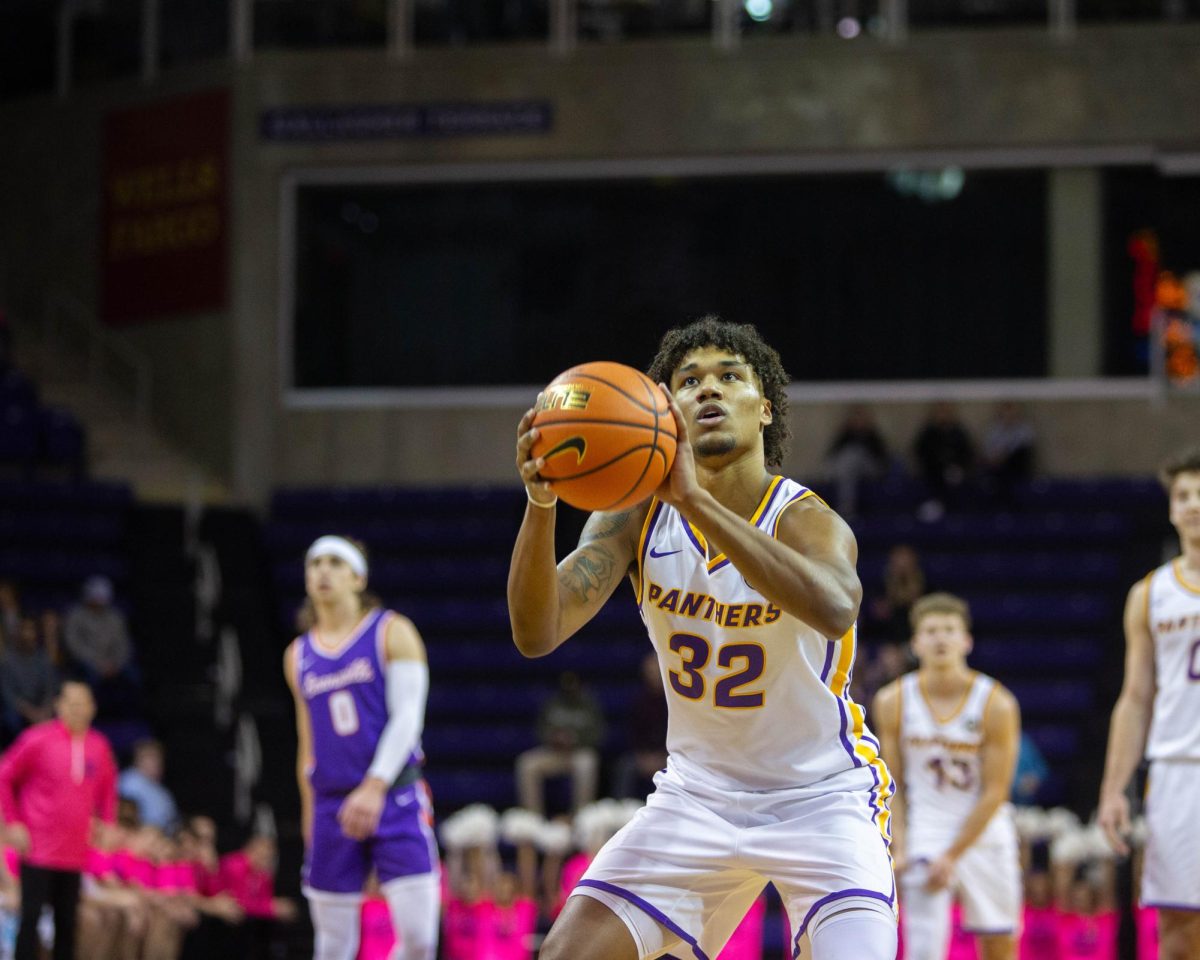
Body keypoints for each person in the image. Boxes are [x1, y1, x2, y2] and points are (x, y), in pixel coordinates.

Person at [509, 316, 896, 960]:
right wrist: (541, 504)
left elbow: (834, 607)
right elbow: (537, 632)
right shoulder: (632, 519)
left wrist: (695, 502)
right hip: (698, 796)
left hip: (824, 799)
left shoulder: (804, 518)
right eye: (688, 381)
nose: (708, 389)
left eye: (730, 377)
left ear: (764, 407)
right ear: (666, 411)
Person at [284, 535, 440, 960]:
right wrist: (308, 815)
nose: (323, 571)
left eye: (335, 562)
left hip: (393, 794)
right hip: (332, 802)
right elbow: (307, 745)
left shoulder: (392, 630)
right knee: (332, 944)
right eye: (315, 563)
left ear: (358, 577)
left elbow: (408, 719)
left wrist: (373, 786)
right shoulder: (298, 654)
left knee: (420, 939)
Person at [872, 592, 1022, 960]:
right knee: (923, 952)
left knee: (1000, 946)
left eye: (950, 630)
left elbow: (996, 792)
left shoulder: (997, 703)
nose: (941, 638)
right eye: (932, 631)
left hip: (983, 830)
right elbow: (895, 786)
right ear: (915, 642)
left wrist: (954, 854)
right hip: (926, 830)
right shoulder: (893, 700)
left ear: (966, 640)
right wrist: (901, 844)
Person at [1098, 448, 1200, 960]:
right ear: (1171, 509)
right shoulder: (1150, 593)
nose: (1194, 504)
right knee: (1178, 930)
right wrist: (1114, 789)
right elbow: (1135, 698)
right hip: (1178, 767)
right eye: (1184, 495)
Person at [0, 679, 118, 960]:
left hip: (75, 851)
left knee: (68, 922)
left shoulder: (98, 746)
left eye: (83, 704)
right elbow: (4, 776)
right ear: (59, 706)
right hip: (39, 847)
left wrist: (108, 823)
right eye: (72, 703)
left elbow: (108, 789)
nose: (78, 710)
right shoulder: (38, 739)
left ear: (93, 708)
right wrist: (13, 821)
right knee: (31, 918)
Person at [515, 671, 606, 816]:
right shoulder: (552, 704)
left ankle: (580, 817)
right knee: (527, 763)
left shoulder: (589, 705)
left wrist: (575, 739)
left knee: (587, 763)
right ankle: (534, 817)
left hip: (578, 752)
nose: (570, 688)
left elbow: (598, 734)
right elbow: (540, 730)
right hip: (553, 753)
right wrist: (554, 738)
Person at [63, 575, 139, 717]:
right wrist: (98, 663)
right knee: (89, 678)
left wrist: (116, 663)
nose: (99, 601)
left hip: (114, 664)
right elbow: (74, 646)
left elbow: (123, 646)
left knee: (135, 676)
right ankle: (88, 715)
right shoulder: (76, 616)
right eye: (96, 597)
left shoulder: (116, 617)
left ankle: (133, 715)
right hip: (89, 663)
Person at [611, 653, 668, 801]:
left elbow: (679, 733)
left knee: (679, 767)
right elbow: (632, 732)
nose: (654, 675)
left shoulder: (674, 702)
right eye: (651, 672)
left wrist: (661, 755)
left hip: (667, 755)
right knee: (625, 766)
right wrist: (642, 756)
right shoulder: (638, 701)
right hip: (641, 755)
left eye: (657, 671)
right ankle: (621, 806)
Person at [823, 404, 890, 518]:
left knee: (854, 454)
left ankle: (846, 510)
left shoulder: (873, 436)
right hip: (847, 473)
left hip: (870, 470)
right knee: (849, 457)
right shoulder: (845, 436)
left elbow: (882, 459)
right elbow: (833, 455)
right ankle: (847, 509)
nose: (859, 421)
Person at [912, 401, 975, 521]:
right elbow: (920, 452)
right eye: (940, 412)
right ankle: (937, 507)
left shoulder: (958, 432)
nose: (943, 415)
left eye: (946, 412)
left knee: (957, 480)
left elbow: (967, 454)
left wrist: (958, 467)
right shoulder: (928, 432)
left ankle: (954, 513)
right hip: (933, 472)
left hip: (956, 473)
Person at [0, 615, 57, 740]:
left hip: (41, 706)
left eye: (31, 630)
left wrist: (46, 710)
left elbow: (50, 688)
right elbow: (9, 695)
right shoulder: (7, 660)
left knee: (61, 712)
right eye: (24, 630)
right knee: (10, 718)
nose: (28, 634)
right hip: (19, 709)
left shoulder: (43, 657)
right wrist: (32, 713)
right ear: (17, 633)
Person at [118, 738, 180, 833]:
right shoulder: (130, 780)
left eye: (159, 758)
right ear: (137, 759)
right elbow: (125, 816)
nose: (157, 762)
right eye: (151, 757)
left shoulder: (163, 791)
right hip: (137, 835)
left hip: (163, 840)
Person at [981, 402, 1036, 505]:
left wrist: (1005, 455)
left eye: (1012, 413)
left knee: (1018, 456)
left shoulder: (1024, 430)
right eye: (1006, 413)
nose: (1009, 416)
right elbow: (988, 451)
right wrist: (995, 457)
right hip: (996, 468)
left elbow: (1023, 450)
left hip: (1016, 467)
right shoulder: (994, 430)